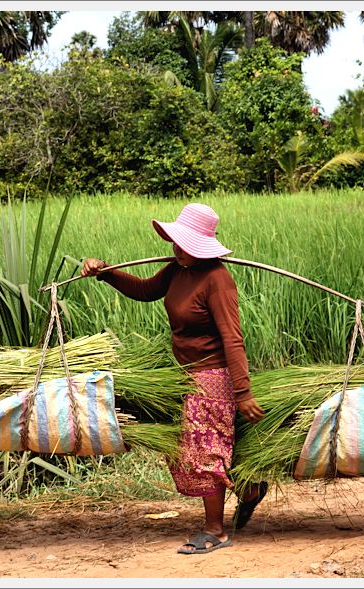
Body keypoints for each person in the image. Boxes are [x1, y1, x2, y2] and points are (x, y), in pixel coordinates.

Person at [81, 203, 268, 555]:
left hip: (213, 375)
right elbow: (145, 291)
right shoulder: (176, 269)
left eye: (185, 245)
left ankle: (216, 530)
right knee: (187, 446)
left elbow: (232, 337)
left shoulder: (217, 279)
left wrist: (242, 392)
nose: (177, 249)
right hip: (184, 373)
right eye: (176, 242)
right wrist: (105, 272)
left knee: (201, 450)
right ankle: (250, 489)